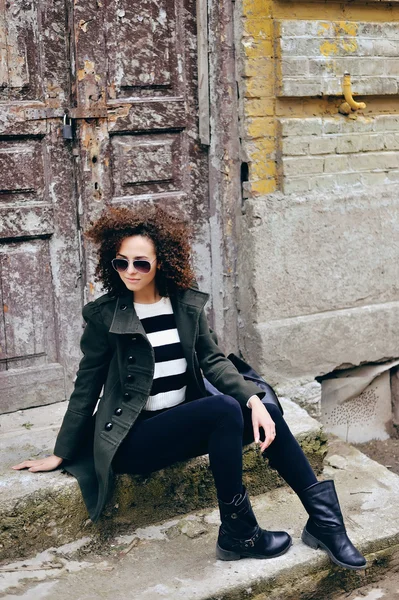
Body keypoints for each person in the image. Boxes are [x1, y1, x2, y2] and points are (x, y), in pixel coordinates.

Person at [12, 206, 366, 570]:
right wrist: (62, 450)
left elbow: (213, 361)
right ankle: (239, 532)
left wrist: (255, 401)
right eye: (121, 263)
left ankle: (324, 523)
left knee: (268, 411)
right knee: (224, 409)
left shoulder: (183, 304)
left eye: (141, 264)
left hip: (182, 423)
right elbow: (86, 386)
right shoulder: (105, 316)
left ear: (161, 262)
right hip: (134, 439)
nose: (130, 272)